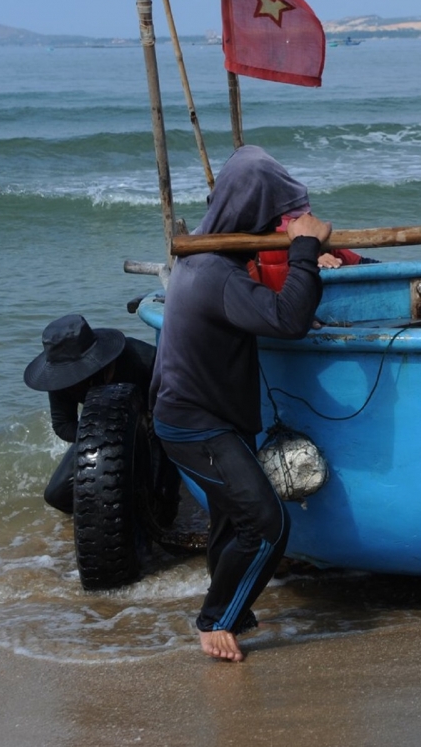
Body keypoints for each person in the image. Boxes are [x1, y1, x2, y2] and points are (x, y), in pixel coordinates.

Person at [149, 145, 331, 662]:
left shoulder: (200, 257)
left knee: (231, 518)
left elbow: (268, 313)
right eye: (274, 217)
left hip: (208, 415)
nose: (278, 226)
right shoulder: (216, 273)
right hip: (194, 423)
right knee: (269, 523)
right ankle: (215, 621)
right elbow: (288, 322)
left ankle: (237, 608)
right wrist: (303, 251)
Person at [23, 313, 164, 513]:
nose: (75, 379)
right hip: (99, 431)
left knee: (160, 501)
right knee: (56, 495)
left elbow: (176, 400)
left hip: (152, 427)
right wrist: (107, 437)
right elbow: (63, 425)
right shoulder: (60, 381)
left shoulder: (143, 359)